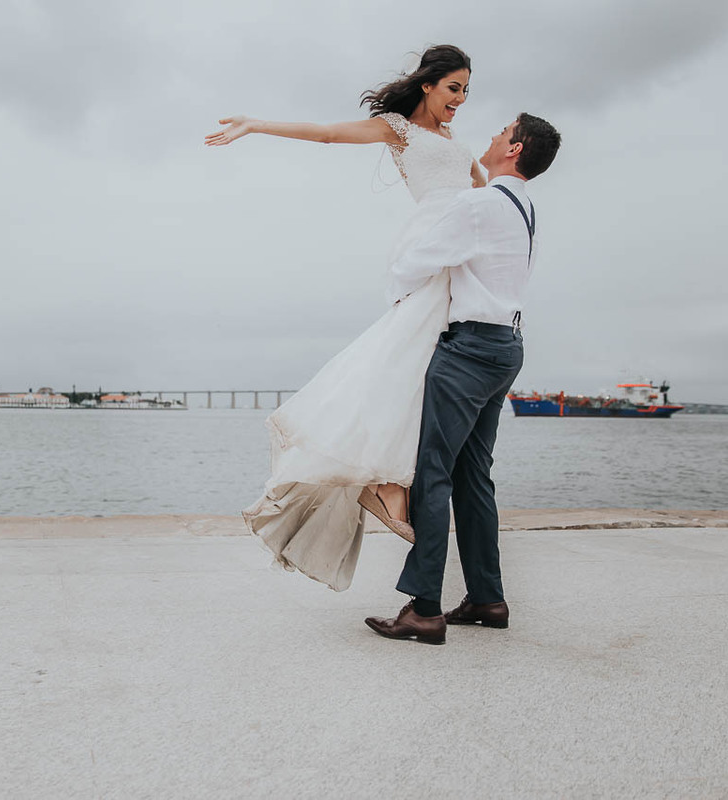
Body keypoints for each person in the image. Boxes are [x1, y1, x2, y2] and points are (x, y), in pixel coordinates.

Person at [206, 45, 484, 591]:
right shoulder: (398, 129)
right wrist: (255, 124)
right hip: (430, 248)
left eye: (467, 91)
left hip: (459, 252)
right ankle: (385, 482)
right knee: (410, 352)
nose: (461, 100)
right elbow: (329, 134)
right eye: (454, 87)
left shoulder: (458, 142)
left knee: (422, 359)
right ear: (428, 85)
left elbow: (485, 193)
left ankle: (387, 482)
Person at [364, 112, 562, 645]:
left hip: (470, 348)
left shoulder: (477, 204)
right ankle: (486, 598)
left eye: (503, 130)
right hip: (506, 347)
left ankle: (423, 607)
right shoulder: (528, 212)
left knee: (433, 472)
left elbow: (416, 263)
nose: (493, 134)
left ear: (514, 148)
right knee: (474, 475)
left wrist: (403, 307)